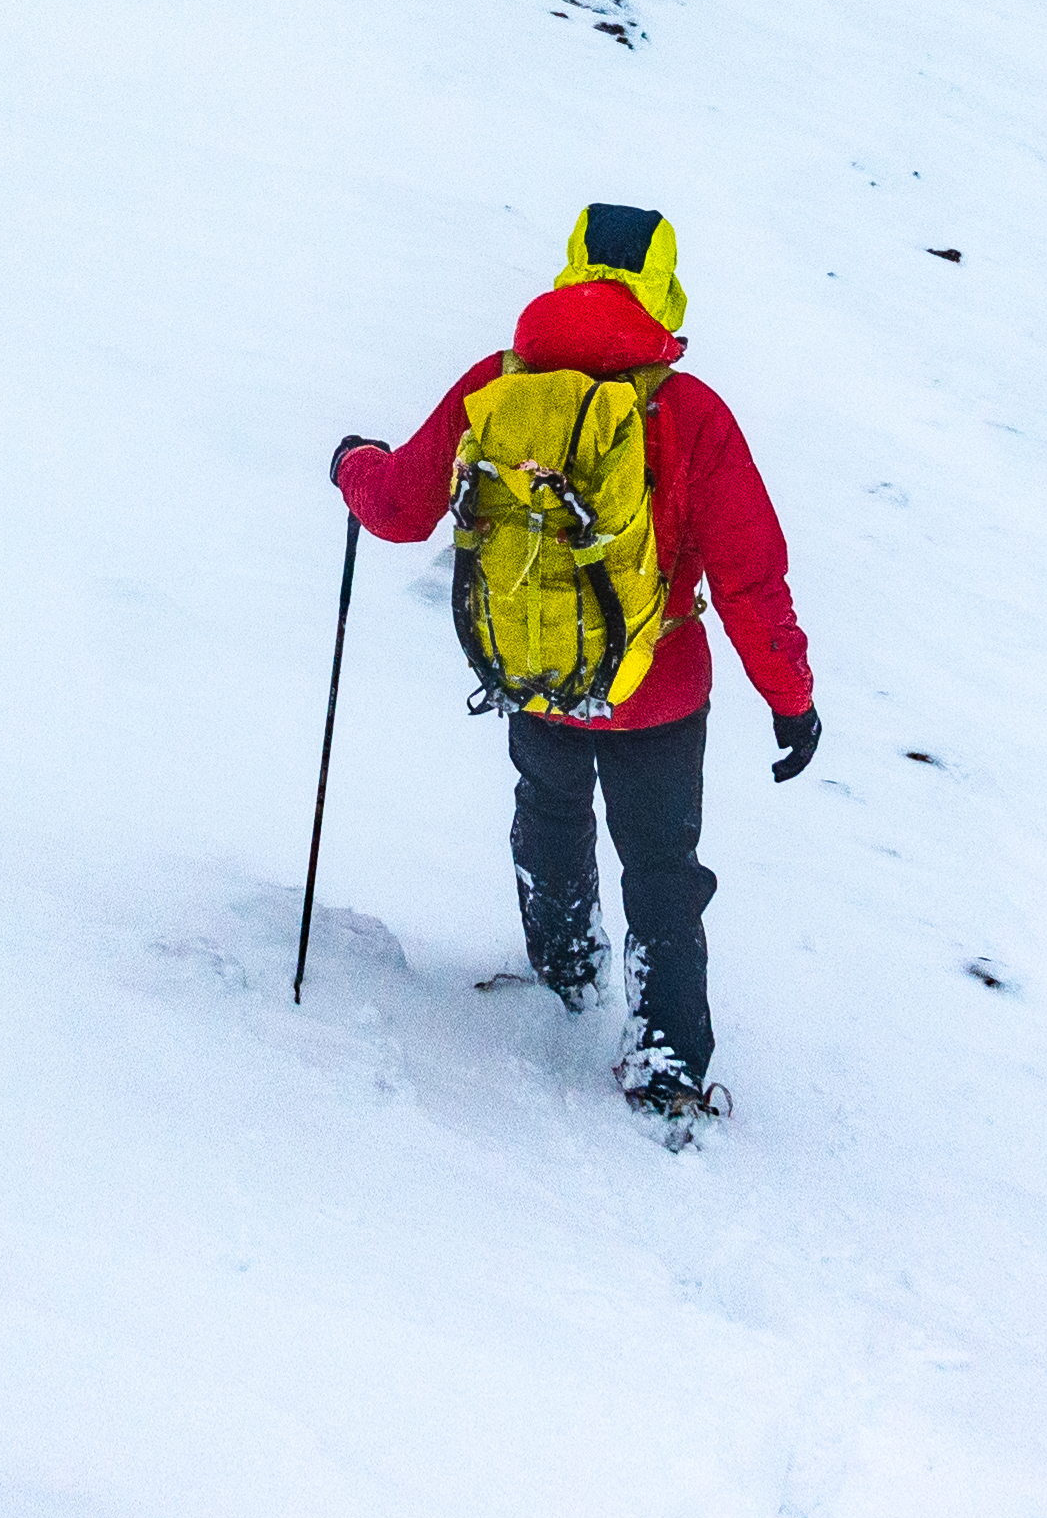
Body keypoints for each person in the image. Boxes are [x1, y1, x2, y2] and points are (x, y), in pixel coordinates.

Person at [333, 202, 817, 1121]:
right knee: (663, 868)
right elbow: (753, 576)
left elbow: (399, 507)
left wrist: (354, 463)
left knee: (549, 816)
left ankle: (566, 975)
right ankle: (668, 1061)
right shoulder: (691, 412)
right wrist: (791, 701)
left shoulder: (501, 383)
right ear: (665, 287)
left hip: (537, 675)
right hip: (661, 691)